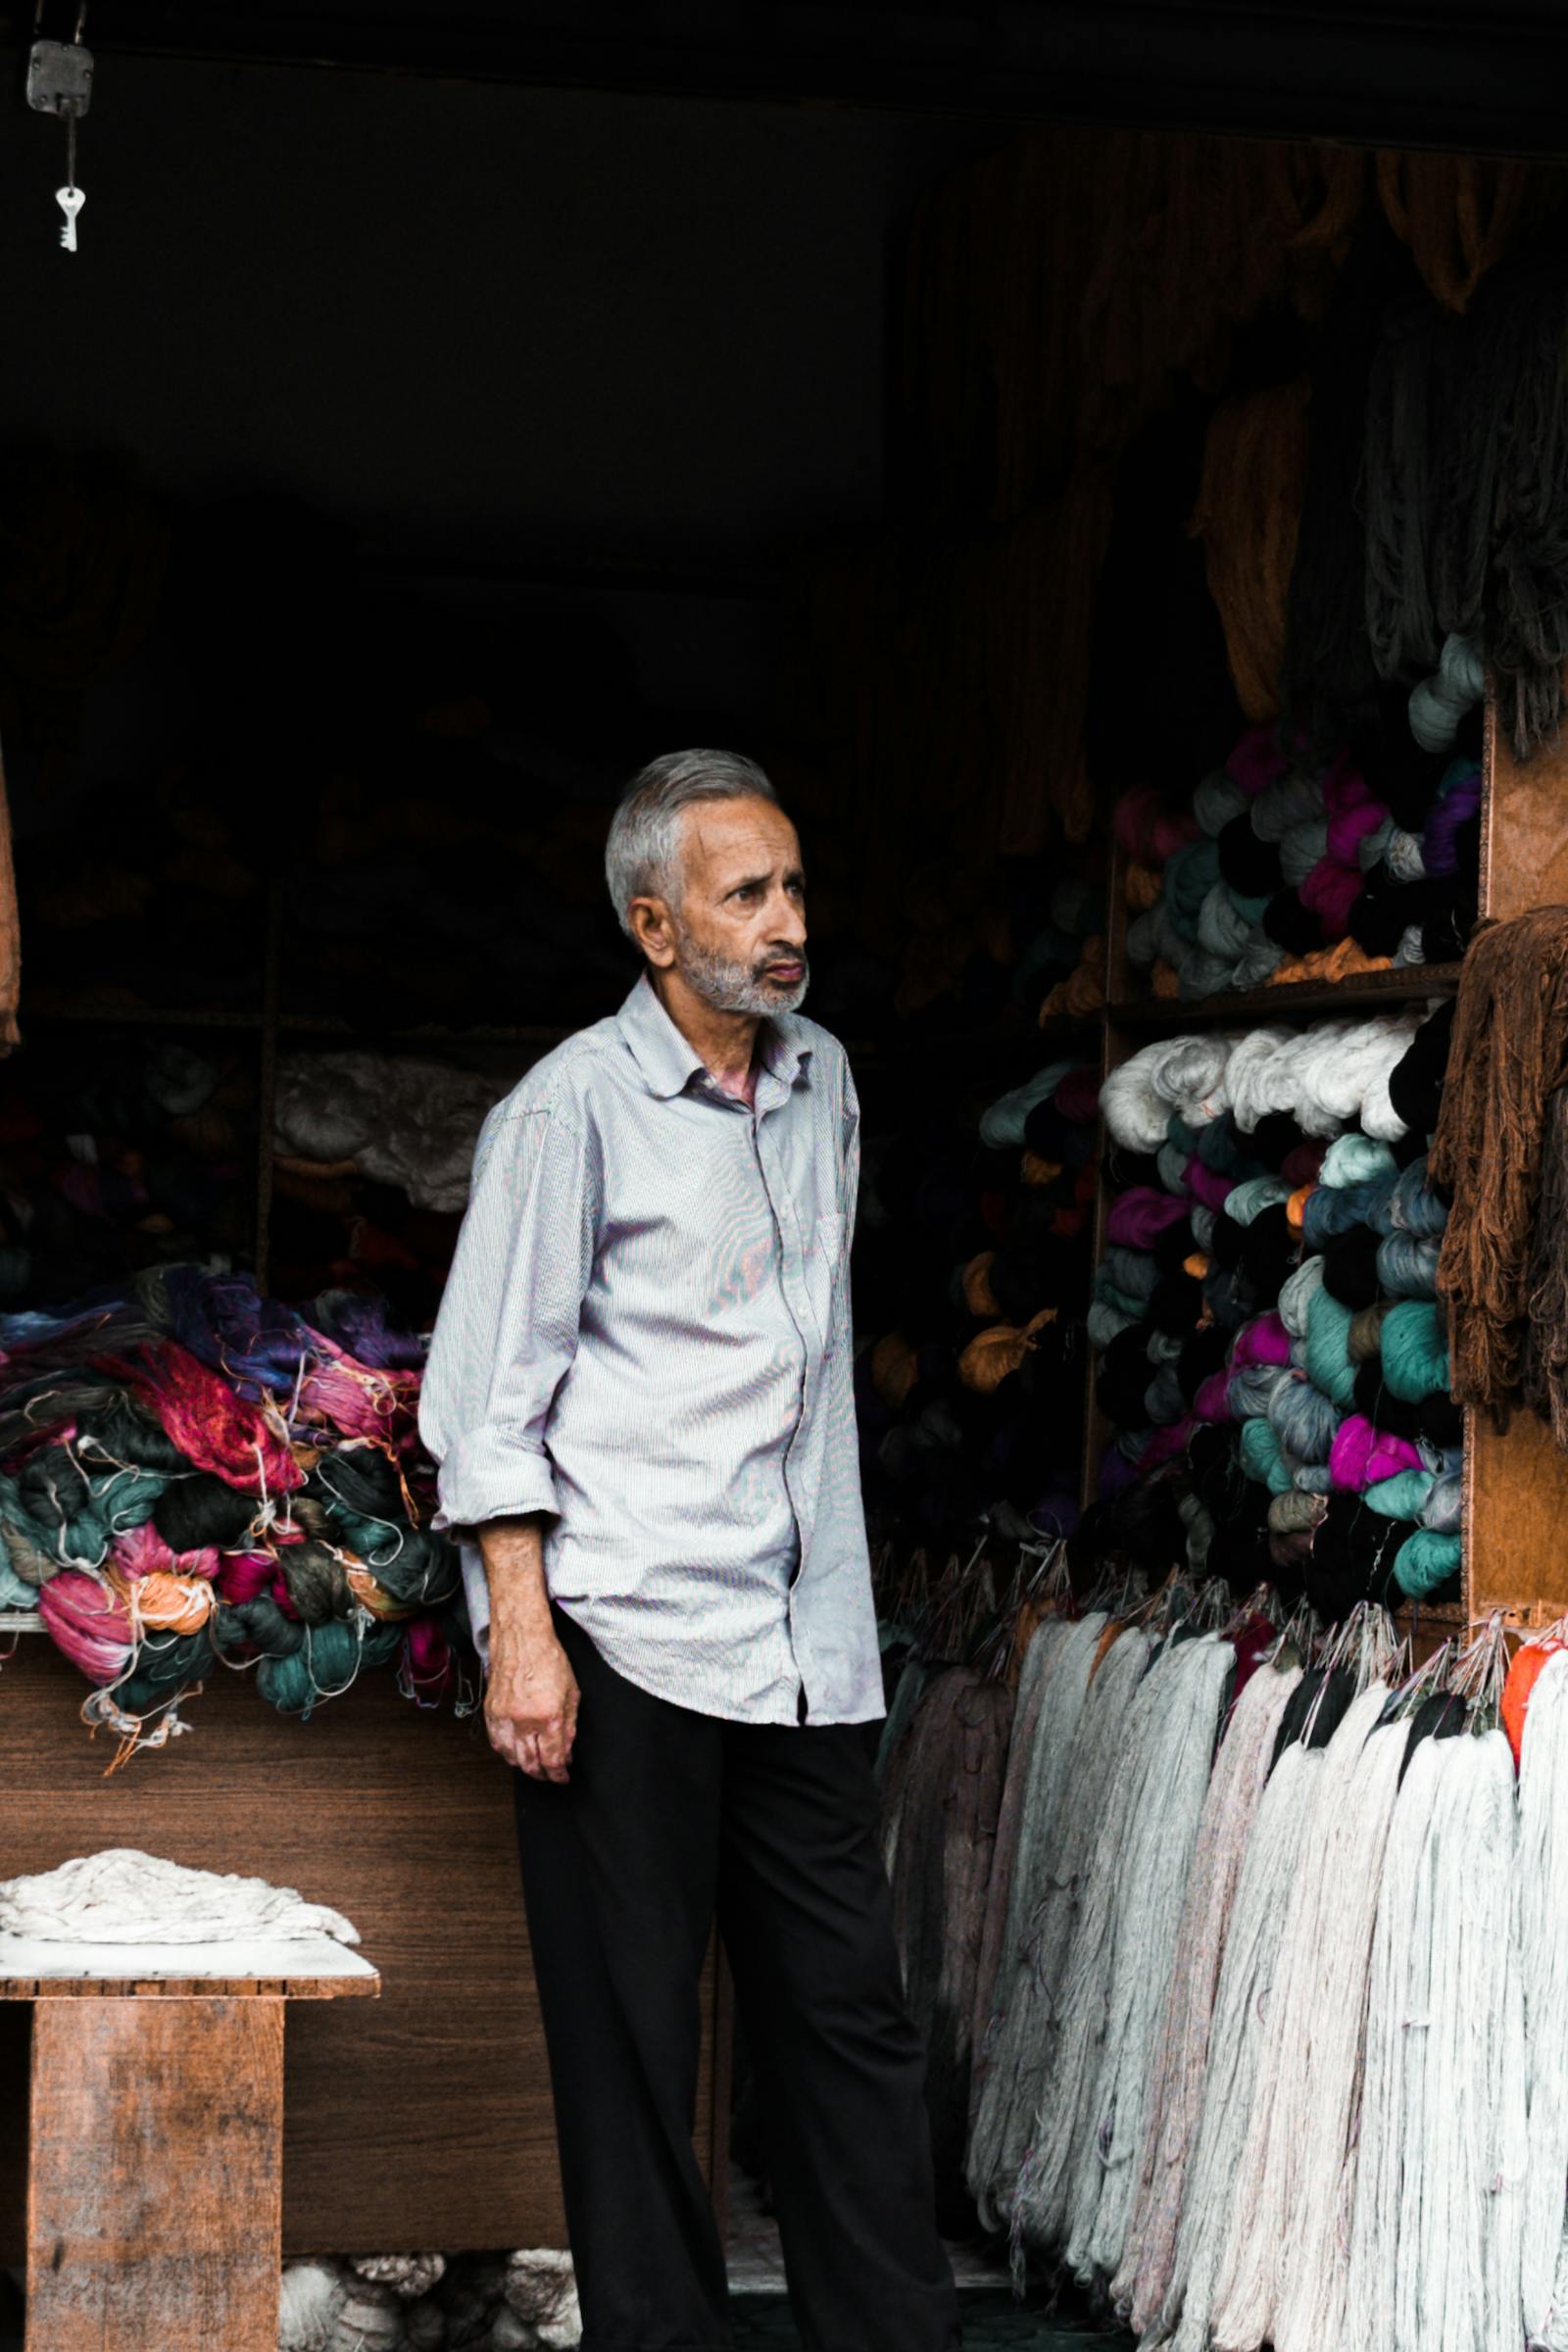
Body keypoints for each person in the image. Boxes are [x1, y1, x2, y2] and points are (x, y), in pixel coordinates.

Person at [420, 749, 960, 2352]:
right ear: (656, 926)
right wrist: (523, 1631)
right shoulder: (568, 1111)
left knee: (850, 2017)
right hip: (628, 1628)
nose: (788, 919)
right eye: (747, 894)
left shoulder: (826, 1081)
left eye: (793, 884)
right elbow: (486, 1399)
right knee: (634, 2043)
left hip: (804, 1641)